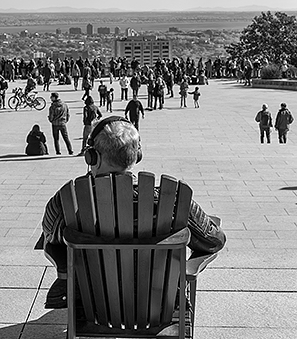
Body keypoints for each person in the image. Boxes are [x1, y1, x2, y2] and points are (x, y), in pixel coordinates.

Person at [38, 116, 226, 308]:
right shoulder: (173, 200)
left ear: (92, 156)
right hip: (160, 304)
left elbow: (49, 238)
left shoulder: (68, 199)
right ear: (137, 155)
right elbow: (214, 241)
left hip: (92, 304)